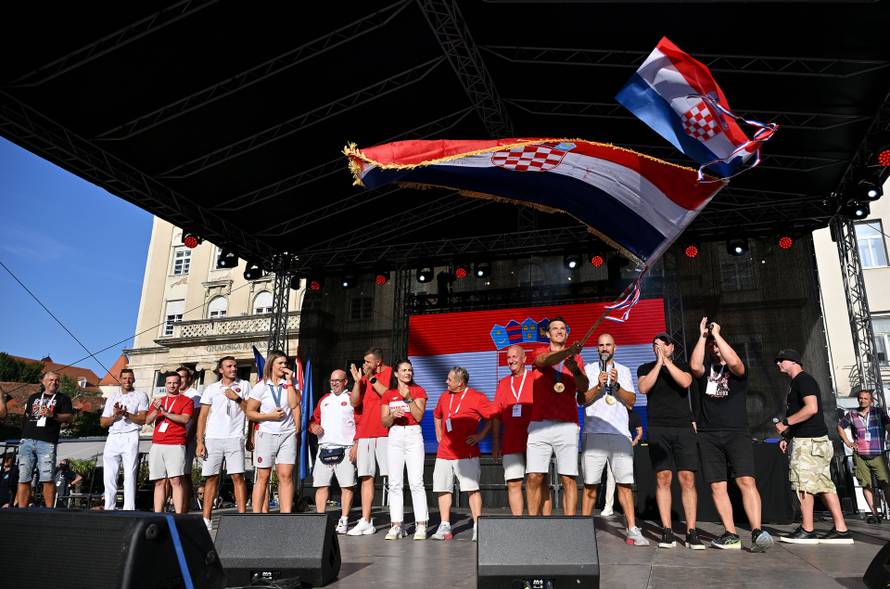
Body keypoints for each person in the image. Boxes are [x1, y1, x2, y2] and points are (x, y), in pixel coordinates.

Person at [690, 318, 773, 551]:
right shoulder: (705, 370)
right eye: (711, 347)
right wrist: (703, 336)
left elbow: (735, 362)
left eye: (717, 345)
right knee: (717, 485)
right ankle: (730, 534)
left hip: (736, 432)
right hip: (708, 433)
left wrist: (717, 335)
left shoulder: (738, 371)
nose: (714, 349)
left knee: (746, 480)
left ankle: (757, 530)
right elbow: (695, 367)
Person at [775, 349, 852, 544]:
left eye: (781, 360)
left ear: (793, 361)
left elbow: (811, 408)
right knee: (824, 485)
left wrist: (786, 423)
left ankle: (807, 529)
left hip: (810, 443)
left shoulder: (803, 380)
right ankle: (841, 530)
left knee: (804, 485)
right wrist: (788, 436)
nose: (778, 364)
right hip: (812, 440)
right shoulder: (797, 383)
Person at [580, 333, 649, 546]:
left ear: (614, 348)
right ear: (596, 348)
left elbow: (631, 401)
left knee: (625, 484)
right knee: (590, 485)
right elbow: (581, 400)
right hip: (594, 434)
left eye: (608, 344)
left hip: (620, 434)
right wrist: (598, 387)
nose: (604, 348)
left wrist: (616, 385)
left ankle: (632, 529)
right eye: (601, 345)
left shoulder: (624, 370)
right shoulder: (589, 370)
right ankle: (582, 532)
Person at [637, 332, 703, 549]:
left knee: (687, 478)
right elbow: (644, 388)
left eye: (662, 344)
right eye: (655, 344)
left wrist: (666, 362)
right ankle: (666, 530)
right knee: (663, 478)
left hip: (683, 427)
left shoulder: (683, 365)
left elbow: (685, 382)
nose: (658, 347)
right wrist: (658, 363)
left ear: (671, 348)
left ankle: (691, 531)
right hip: (658, 427)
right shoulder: (645, 368)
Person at [526, 317, 589, 516]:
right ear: (548, 333)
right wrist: (568, 351)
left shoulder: (576, 359)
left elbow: (584, 387)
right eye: (555, 328)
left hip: (567, 424)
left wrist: (575, 369)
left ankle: (569, 527)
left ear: (567, 333)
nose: (559, 331)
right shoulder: (539, 351)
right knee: (535, 476)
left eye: (563, 328)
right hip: (540, 423)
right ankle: (531, 524)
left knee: (568, 478)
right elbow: (544, 361)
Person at [431, 366, 492, 541]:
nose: (446, 382)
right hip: (444, 452)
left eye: (450, 379)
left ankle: (477, 524)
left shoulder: (477, 397)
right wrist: (438, 433)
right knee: (443, 488)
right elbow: (437, 415)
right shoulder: (444, 396)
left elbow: (493, 417)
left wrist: (480, 435)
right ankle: (444, 525)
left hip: (467, 452)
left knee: (471, 489)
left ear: (460, 382)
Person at [492, 345, 552, 516]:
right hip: (511, 440)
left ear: (525, 359)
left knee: (541, 481)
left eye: (515, 357)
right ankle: (519, 524)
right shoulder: (503, 383)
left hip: (536, 437)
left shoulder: (536, 377)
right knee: (513, 482)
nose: (511, 360)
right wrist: (496, 442)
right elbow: (496, 414)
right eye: (508, 358)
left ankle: (546, 522)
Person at [196, 356, 250, 531]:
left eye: (235, 366)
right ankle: (206, 518)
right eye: (229, 366)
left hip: (235, 437)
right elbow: (203, 416)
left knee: (237, 477)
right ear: (221, 370)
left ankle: (241, 517)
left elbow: (251, 410)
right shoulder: (212, 388)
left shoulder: (245, 385)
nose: (233, 369)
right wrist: (199, 441)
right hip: (213, 438)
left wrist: (237, 398)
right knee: (211, 478)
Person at [245, 350, 301, 513]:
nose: (284, 366)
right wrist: (269, 416)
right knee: (263, 476)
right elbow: (250, 412)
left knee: (285, 475)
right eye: (280, 363)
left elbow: (293, 405)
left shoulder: (291, 383)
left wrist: (290, 382)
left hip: (287, 434)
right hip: (267, 434)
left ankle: (285, 515)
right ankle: (256, 514)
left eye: (285, 363)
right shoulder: (261, 386)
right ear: (271, 365)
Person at [381, 360, 429, 539]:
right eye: (404, 370)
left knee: (416, 481)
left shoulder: (418, 391)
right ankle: (396, 525)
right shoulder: (388, 394)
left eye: (410, 370)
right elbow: (383, 421)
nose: (407, 373)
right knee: (394, 483)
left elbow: (419, 416)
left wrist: (408, 398)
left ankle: (421, 525)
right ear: (396, 373)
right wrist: (392, 415)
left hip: (413, 434)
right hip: (394, 435)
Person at [347, 348, 392, 536]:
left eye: (367, 361)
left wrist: (372, 379)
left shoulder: (390, 373)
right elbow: (354, 403)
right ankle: (366, 520)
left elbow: (390, 395)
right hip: (365, 433)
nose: (364, 364)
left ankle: (397, 521)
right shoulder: (363, 378)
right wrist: (358, 382)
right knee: (366, 476)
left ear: (378, 363)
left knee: (393, 477)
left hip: (385, 432)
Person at [15, 371, 74, 508]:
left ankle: (49, 511)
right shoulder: (33, 397)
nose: (54, 382)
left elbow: (69, 417)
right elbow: (27, 416)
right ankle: (21, 511)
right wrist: (23, 435)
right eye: (51, 379)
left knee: (47, 478)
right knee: (24, 477)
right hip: (27, 440)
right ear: (43, 381)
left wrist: (52, 415)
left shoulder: (63, 398)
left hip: (47, 441)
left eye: (57, 380)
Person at [309, 369, 357, 535]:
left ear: (345, 382)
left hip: (346, 447)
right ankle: (319, 519)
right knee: (321, 485)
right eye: (332, 380)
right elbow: (313, 421)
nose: (335, 383)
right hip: (324, 448)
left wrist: (356, 444)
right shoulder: (324, 400)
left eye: (338, 380)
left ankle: (343, 520)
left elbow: (360, 421)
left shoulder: (352, 397)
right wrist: (314, 427)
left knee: (347, 486)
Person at [837, 389, 890, 523]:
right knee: (866, 485)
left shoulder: (879, 412)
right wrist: (848, 442)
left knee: (886, 484)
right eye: (860, 398)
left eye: (866, 398)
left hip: (877, 453)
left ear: (871, 400)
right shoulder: (852, 414)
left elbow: (889, 426)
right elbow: (840, 427)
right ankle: (874, 513)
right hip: (860, 455)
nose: (862, 400)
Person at [99, 367, 149, 511]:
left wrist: (126, 414)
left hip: (130, 435)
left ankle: (129, 508)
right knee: (109, 474)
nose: (127, 381)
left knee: (129, 473)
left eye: (130, 378)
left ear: (133, 379)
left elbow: (142, 419)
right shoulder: (112, 397)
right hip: (113, 435)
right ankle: (109, 506)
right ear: (120, 380)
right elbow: (103, 422)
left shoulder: (140, 395)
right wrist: (115, 415)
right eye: (124, 378)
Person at [146, 371, 194, 513]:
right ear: (165, 384)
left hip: (175, 443)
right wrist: (156, 409)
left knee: (176, 480)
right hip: (157, 443)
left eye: (175, 382)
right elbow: (148, 421)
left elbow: (185, 419)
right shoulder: (158, 400)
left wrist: (166, 413)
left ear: (180, 384)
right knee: (159, 481)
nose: (172, 385)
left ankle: (179, 515)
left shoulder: (186, 401)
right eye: (169, 383)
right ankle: (157, 514)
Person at [177, 366, 202, 508]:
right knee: (171, 475)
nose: (180, 380)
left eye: (183, 377)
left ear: (189, 379)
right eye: (177, 377)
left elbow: (196, 419)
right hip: (172, 439)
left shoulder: (194, 395)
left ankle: (185, 507)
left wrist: (188, 438)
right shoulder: (173, 394)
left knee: (184, 473)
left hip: (187, 438)